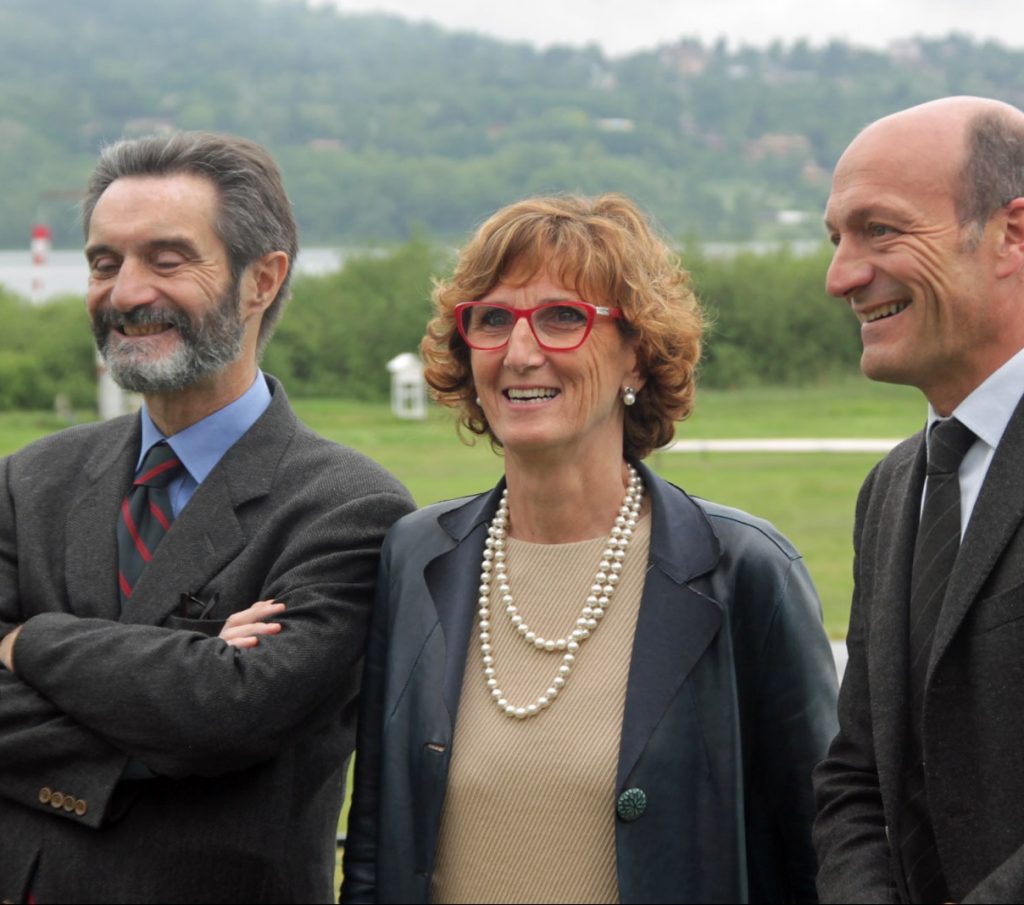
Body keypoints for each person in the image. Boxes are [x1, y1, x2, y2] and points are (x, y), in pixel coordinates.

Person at [340, 192, 838, 904]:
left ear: (638, 355)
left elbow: (820, 857)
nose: (520, 352)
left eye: (562, 317)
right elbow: (373, 845)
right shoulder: (414, 557)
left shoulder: (746, 572)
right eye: (492, 320)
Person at [0, 131, 414, 904]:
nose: (126, 293)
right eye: (104, 263)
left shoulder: (349, 510)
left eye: (166, 260)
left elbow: (233, 714)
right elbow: (199, 708)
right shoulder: (29, 479)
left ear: (263, 279)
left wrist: (29, 642)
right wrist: (182, 675)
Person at [813, 96, 1024, 904]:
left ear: (1012, 235)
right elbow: (858, 777)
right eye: (837, 238)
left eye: (880, 230)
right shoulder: (894, 488)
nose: (841, 277)